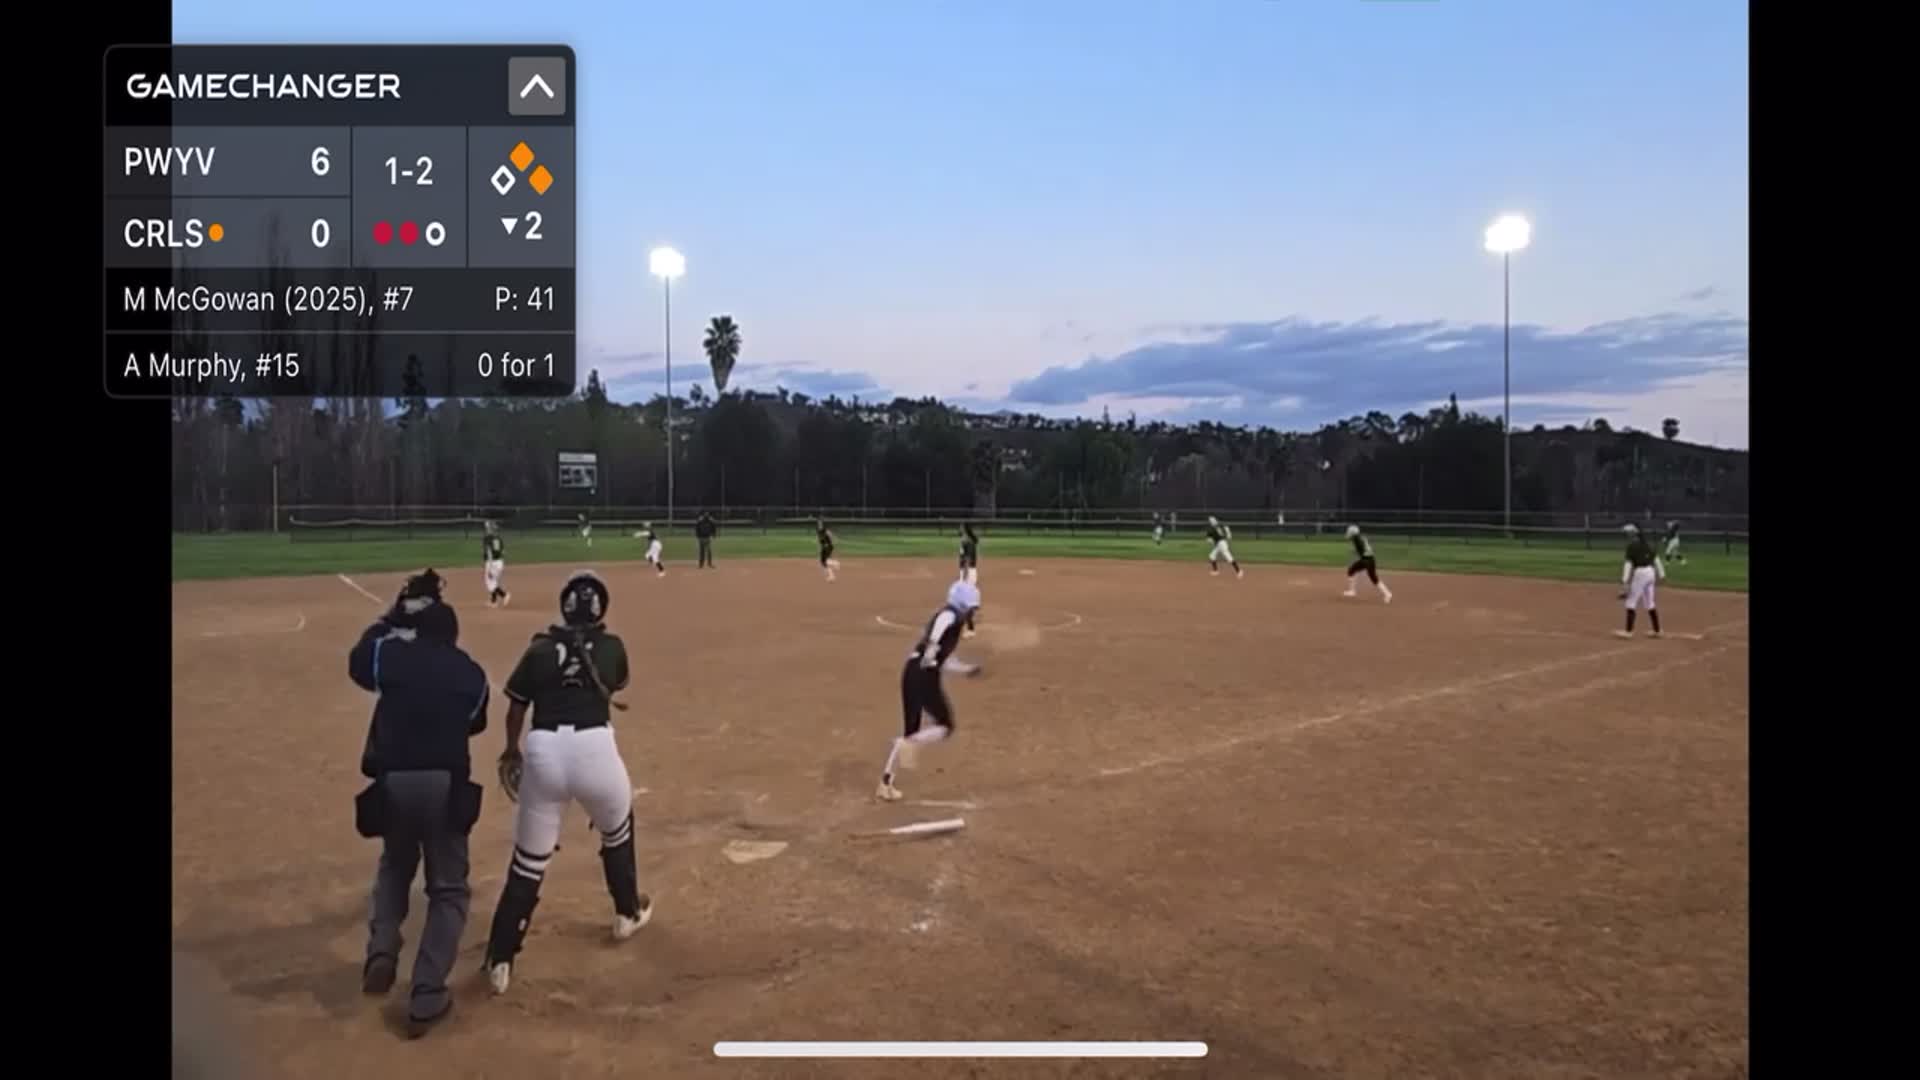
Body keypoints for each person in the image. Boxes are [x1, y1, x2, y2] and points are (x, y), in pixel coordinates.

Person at [482, 570, 651, 995]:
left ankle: (500, 959)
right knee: (617, 830)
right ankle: (627, 913)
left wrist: (510, 749)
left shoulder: (540, 648)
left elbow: (516, 707)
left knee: (528, 861)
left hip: (544, 752)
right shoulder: (612, 646)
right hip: (596, 749)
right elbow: (615, 681)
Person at [347, 570, 491, 1038]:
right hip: (446, 784)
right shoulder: (472, 674)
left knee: (395, 865)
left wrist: (392, 615)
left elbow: (357, 660)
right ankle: (426, 993)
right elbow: (475, 724)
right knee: (448, 889)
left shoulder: (391, 654)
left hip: (396, 781)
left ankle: (383, 950)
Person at [876, 579, 984, 802]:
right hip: (922, 674)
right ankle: (907, 744)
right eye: (972, 608)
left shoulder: (953, 624)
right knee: (945, 725)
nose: (973, 613)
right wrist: (930, 653)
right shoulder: (950, 615)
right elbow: (938, 631)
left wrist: (967, 669)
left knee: (911, 733)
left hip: (914, 673)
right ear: (963, 604)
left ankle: (885, 783)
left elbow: (945, 660)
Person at [1617, 524, 1667, 639]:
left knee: (1631, 602)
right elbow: (1657, 560)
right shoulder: (1647, 544)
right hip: (1651, 573)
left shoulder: (1631, 546)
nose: (1627, 536)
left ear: (1632, 534)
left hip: (1640, 573)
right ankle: (1657, 630)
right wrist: (1662, 574)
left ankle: (1628, 632)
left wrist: (1624, 581)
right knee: (1650, 602)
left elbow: (1628, 564)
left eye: (1628, 534)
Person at [1341, 525, 1393, 603]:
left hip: (1367, 560)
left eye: (1350, 532)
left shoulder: (1356, 539)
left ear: (1353, 533)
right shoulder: (1360, 537)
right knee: (1353, 571)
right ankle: (1352, 591)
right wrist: (1358, 551)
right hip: (1369, 559)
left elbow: (1361, 548)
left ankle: (1387, 594)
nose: (1349, 534)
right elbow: (1365, 547)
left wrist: (1357, 552)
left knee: (1369, 576)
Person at [957, 523, 981, 636]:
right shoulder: (969, 541)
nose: (959, 529)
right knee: (965, 602)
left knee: (965, 603)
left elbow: (965, 560)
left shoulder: (966, 542)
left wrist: (962, 576)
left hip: (968, 573)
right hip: (971, 573)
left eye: (961, 527)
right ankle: (968, 626)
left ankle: (971, 629)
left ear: (965, 530)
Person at [482, 521, 510, 607]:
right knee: (493, 581)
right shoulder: (498, 538)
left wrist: (490, 567)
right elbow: (504, 552)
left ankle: (504, 595)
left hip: (492, 562)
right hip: (500, 562)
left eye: (487, 528)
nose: (486, 529)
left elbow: (489, 552)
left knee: (489, 581)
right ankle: (493, 602)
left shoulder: (487, 538)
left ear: (489, 529)